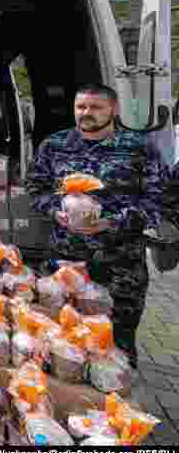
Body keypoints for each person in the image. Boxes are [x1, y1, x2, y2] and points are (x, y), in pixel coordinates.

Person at [26, 83, 164, 367]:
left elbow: (159, 203)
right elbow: (35, 187)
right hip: (63, 265)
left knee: (114, 349)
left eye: (96, 107)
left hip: (119, 268)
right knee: (57, 341)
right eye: (81, 107)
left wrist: (112, 222)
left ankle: (116, 404)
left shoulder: (139, 149)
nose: (86, 113)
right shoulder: (55, 145)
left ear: (113, 110)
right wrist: (54, 212)